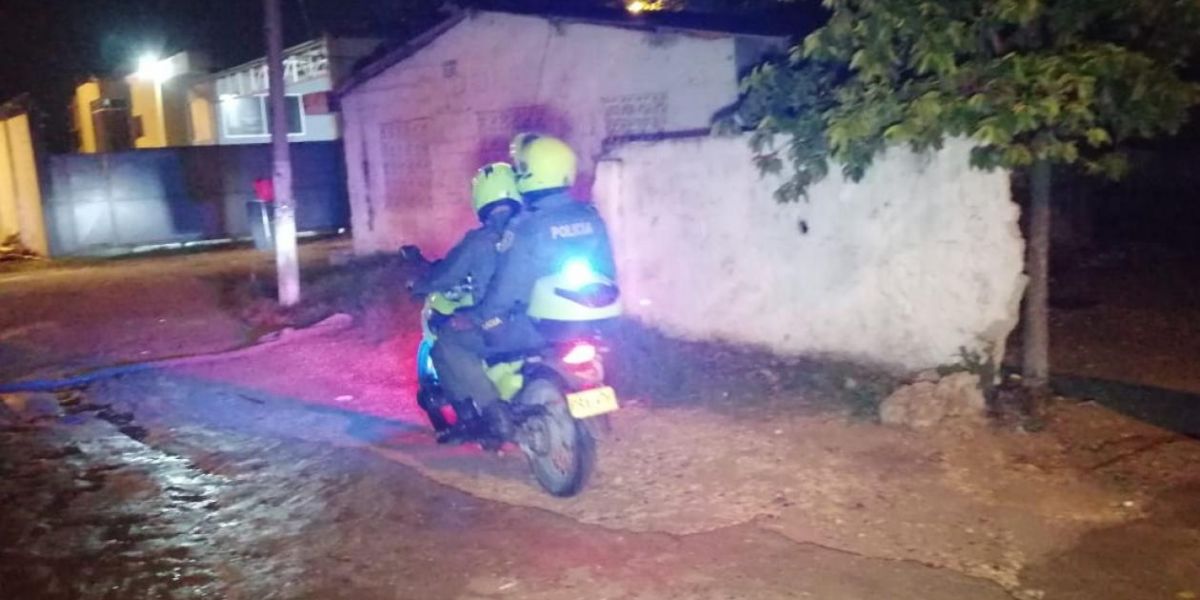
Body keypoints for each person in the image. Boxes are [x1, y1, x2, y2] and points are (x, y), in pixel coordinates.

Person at [432, 134, 619, 444]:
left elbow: (507, 290)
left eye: (521, 169)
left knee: (450, 341)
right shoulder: (590, 217)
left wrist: (478, 317)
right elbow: (608, 272)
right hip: (583, 322)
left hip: (529, 327)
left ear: (530, 174)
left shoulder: (527, 228)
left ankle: (494, 415)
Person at [413, 162, 522, 439]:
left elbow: (447, 275)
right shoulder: (529, 232)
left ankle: (485, 414)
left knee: (446, 346)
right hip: (533, 321)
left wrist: (419, 284)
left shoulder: (479, 241)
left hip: (497, 323)